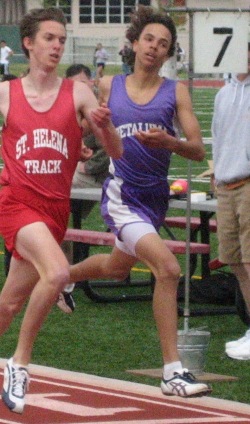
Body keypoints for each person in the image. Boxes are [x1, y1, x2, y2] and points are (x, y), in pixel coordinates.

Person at [70, 5, 211, 398]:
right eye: (149, 39)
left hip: (154, 198)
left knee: (116, 269)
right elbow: (82, 128)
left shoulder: (175, 92)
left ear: (168, 54)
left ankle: (63, 278)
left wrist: (171, 142)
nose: (154, 47)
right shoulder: (108, 85)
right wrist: (80, 145)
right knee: (167, 269)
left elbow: (197, 150)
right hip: (121, 193)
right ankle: (172, 371)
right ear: (134, 43)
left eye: (163, 43)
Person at [0, 7, 122, 415]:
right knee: (58, 273)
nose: (57, 45)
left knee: (9, 303)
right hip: (17, 204)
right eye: (49, 38)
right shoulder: (6, 94)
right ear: (28, 44)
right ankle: (20, 364)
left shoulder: (79, 93)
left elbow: (117, 151)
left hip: (54, 212)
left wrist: (103, 127)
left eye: (62, 39)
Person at [57, 63, 110, 314]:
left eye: (83, 82)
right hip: (80, 178)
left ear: (91, 82)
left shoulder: (100, 108)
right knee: (57, 218)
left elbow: (111, 148)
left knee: (54, 200)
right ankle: (59, 278)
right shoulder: (73, 108)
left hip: (97, 178)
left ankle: (64, 280)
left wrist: (84, 166)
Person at [212, 43, 250, 361]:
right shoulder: (224, 93)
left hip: (249, 183)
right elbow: (218, 136)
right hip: (225, 184)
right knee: (235, 261)